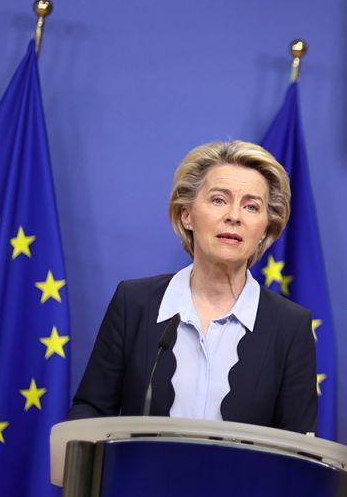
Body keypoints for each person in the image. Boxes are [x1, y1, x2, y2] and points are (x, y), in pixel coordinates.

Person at [68, 140, 317, 433]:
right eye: (219, 200)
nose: (234, 216)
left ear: (265, 229)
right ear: (187, 215)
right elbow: (91, 410)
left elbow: (298, 446)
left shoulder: (289, 326)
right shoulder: (134, 304)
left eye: (251, 206)